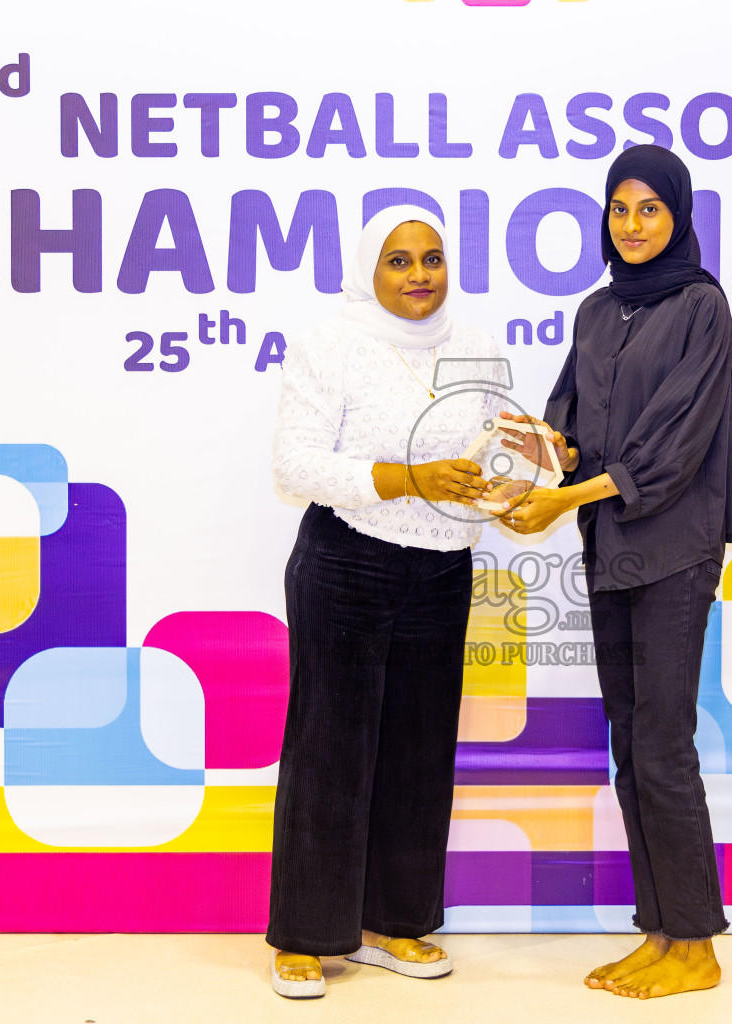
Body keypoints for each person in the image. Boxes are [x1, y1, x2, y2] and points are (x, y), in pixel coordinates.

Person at [497, 145, 732, 999]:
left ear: (677, 215)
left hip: (674, 551)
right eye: (619, 209)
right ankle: (661, 931)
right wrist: (536, 452)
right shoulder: (598, 311)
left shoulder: (702, 307)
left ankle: (699, 947)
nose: (632, 226)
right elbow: (571, 424)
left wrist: (564, 501)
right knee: (631, 748)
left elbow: (671, 446)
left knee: (664, 748)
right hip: (610, 550)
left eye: (649, 209)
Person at [267, 207, 501, 999]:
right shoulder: (329, 344)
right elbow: (294, 464)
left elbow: (490, 445)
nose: (418, 276)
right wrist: (407, 478)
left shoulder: (473, 346)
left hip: (442, 568)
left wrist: (528, 462)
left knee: (419, 752)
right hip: (346, 562)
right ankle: (306, 935)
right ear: (369, 268)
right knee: (330, 752)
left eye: (431, 259)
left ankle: (392, 921)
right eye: (398, 261)